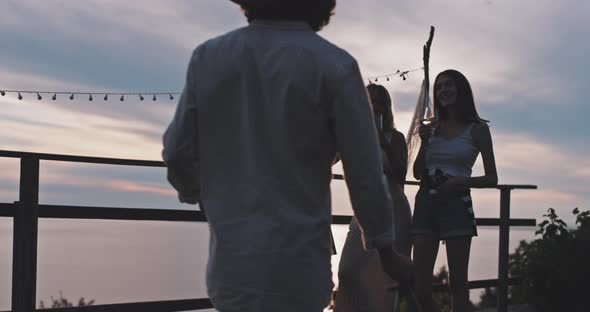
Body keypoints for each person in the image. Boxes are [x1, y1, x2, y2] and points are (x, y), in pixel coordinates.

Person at [162, 1, 412, 311]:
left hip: (232, 268)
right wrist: (386, 251)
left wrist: (200, 195)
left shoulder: (209, 57)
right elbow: (365, 173)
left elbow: (177, 151)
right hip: (299, 268)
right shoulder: (335, 65)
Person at [412, 70, 498, 312]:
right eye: (439, 87)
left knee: (458, 284)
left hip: (457, 204)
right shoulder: (431, 128)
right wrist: (425, 142)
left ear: (461, 89)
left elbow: (492, 178)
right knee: (420, 287)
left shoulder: (478, 129)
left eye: (448, 85)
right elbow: (418, 173)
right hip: (425, 203)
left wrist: (459, 182)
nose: (443, 90)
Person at [335, 83, 413, 312]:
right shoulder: (353, 137)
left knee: (388, 278)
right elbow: (329, 158)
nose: (375, 106)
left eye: (380, 102)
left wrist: (381, 142)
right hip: (364, 212)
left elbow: (400, 175)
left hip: (394, 209)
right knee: (348, 271)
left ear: (386, 108)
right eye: (370, 101)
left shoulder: (395, 137)